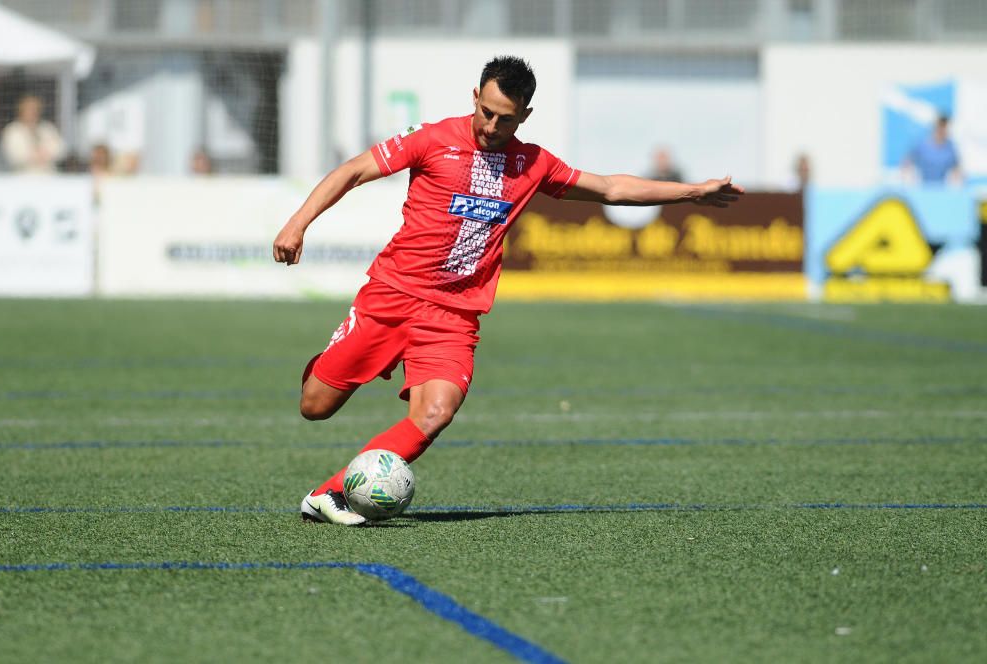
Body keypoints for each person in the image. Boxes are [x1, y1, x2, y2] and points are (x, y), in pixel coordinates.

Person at [273, 56, 743, 525]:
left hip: (454, 315)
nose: (493, 126)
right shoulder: (431, 138)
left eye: (507, 118)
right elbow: (352, 171)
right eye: (488, 112)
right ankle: (330, 359)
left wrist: (691, 192)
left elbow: (609, 188)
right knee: (315, 406)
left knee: (435, 414)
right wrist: (298, 225)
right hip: (393, 294)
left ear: (525, 116)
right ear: (475, 98)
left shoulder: (531, 163)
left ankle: (329, 494)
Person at [1, 95, 67, 174]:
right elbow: (13, 155)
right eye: (29, 109)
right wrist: (33, 155)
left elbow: (61, 149)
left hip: (49, 175)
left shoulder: (47, 128)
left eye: (35, 109)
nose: (32, 112)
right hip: (22, 177)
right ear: (21, 111)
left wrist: (46, 154)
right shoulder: (13, 130)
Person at [904, 115, 960, 185]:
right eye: (941, 127)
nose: (943, 130)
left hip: (942, 189)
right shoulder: (922, 145)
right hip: (922, 187)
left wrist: (957, 181)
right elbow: (907, 163)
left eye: (946, 127)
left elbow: (957, 168)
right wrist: (908, 179)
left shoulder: (950, 147)